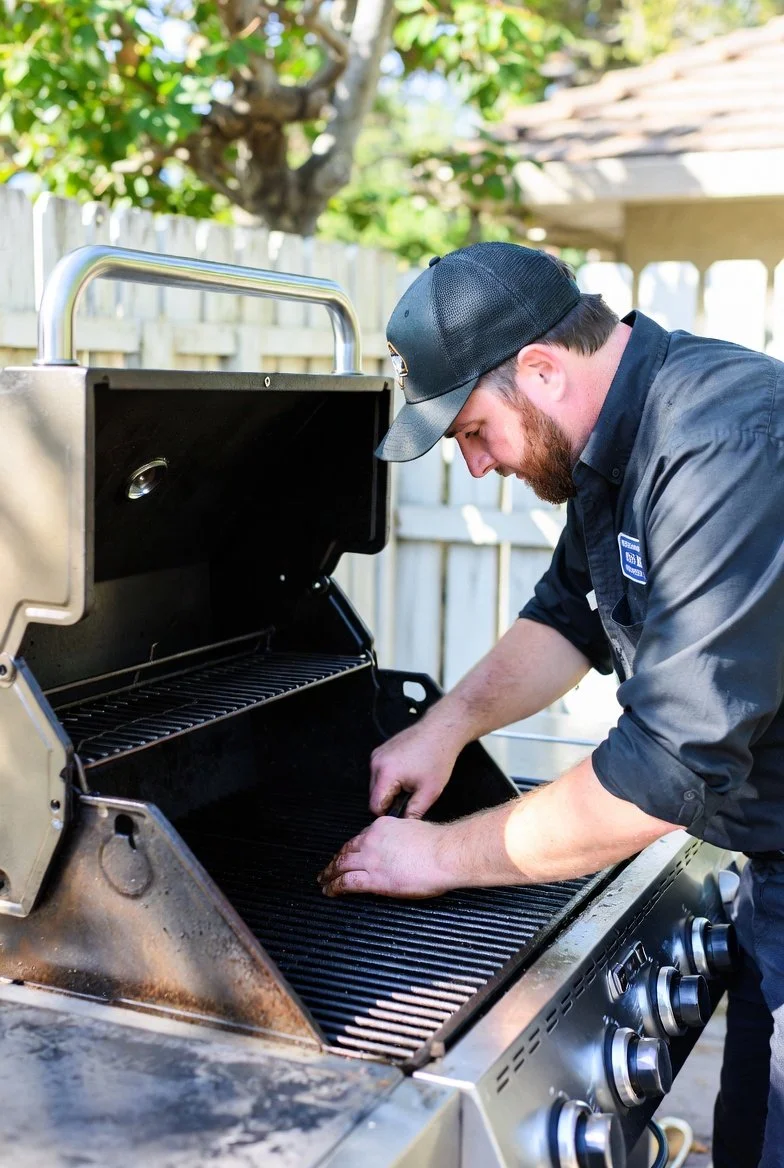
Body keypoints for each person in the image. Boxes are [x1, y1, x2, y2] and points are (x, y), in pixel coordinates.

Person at [316, 242, 784, 1168]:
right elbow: (565, 617)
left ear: (540, 368)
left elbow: (662, 773)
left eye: (475, 431)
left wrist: (440, 855)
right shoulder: (620, 442)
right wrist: (444, 726)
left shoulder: (726, 447)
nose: (479, 466)